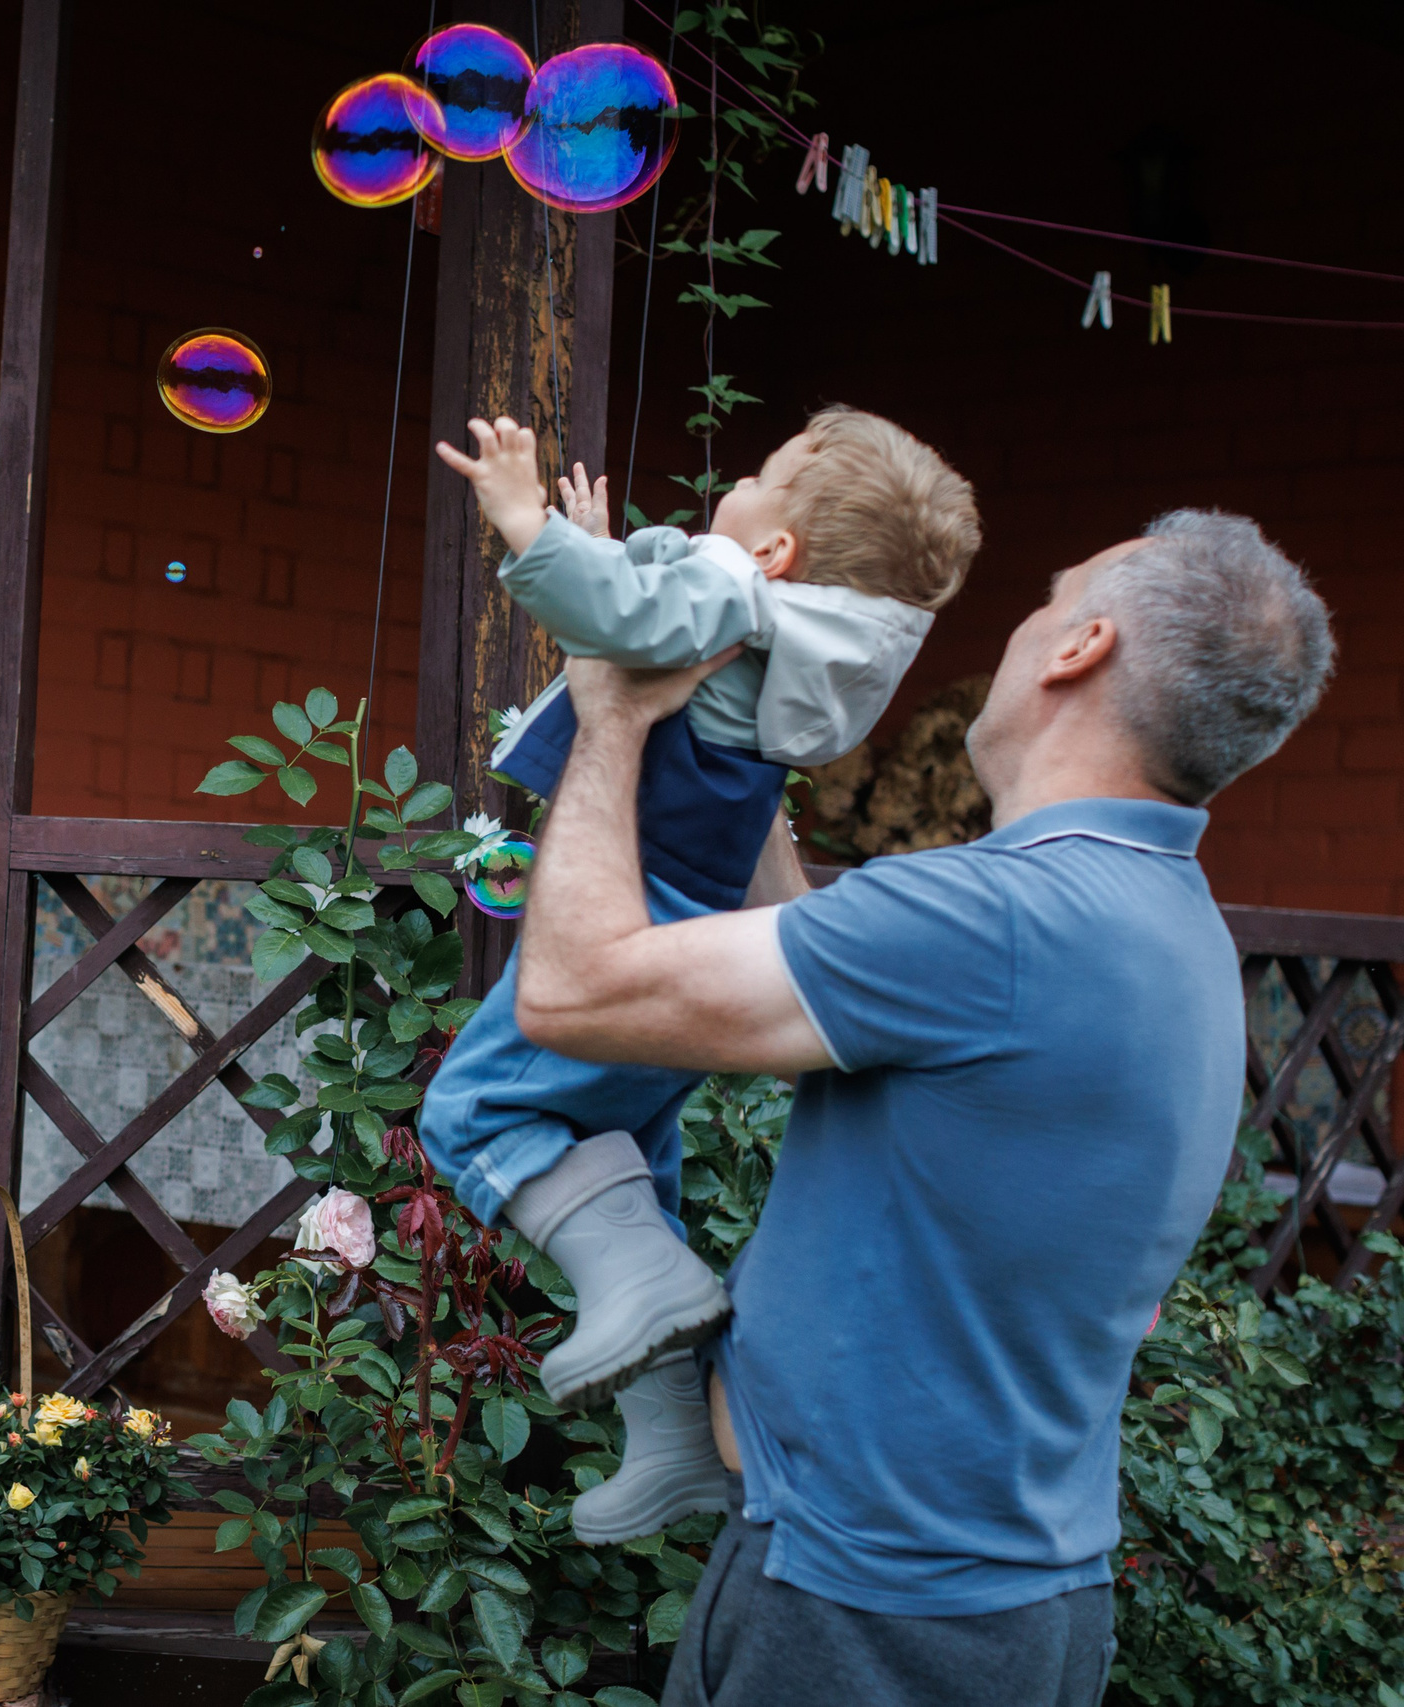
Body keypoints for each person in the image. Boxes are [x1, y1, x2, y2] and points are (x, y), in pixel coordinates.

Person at [510, 512, 1332, 1706]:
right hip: (1020, 1606)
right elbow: (834, 1011)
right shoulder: (1168, 928)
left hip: (859, 1619)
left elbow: (569, 992)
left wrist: (613, 718)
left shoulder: (990, 920)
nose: (1017, 630)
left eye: (1042, 603)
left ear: (1077, 648)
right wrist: (746, 754)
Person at [421, 407, 981, 1543]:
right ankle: (674, 1434)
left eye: (763, 475)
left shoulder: (736, 585)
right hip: (698, 913)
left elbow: (624, 620)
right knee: (625, 1163)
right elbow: (646, 608)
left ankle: (647, 1289)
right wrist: (607, 553)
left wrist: (531, 528)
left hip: (628, 894)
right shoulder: (797, 634)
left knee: (470, 1109)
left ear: (778, 553)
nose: (739, 478)